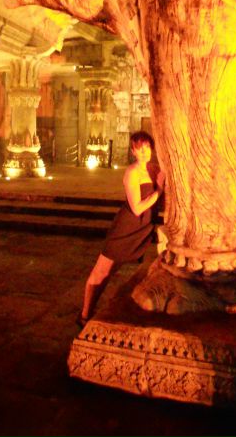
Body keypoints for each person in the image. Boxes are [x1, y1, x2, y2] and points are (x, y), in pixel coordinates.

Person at [77, 130, 166, 327]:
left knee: (114, 271)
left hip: (144, 228)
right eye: (139, 149)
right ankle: (84, 315)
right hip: (127, 228)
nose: (144, 152)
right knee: (102, 272)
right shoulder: (132, 173)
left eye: (147, 148)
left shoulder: (154, 169)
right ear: (133, 151)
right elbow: (137, 208)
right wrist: (159, 190)